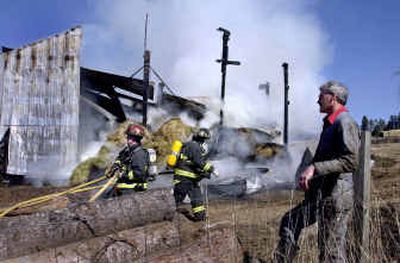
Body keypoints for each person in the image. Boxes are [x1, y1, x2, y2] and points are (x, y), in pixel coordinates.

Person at [272, 81, 360, 262]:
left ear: (333, 98)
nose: (317, 100)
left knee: (330, 251)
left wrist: (314, 168)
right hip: (321, 195)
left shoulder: (345, 122)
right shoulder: (330, 124)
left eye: (321, 96)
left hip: (335, 196)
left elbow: (351, 161)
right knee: (291, 221)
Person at [173, 128, 216, 221]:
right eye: (204, 140)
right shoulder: (194, 146)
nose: (205, 142)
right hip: (183, 178)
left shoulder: (191, 146)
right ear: (201, 139)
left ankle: (200, 217)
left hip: (192, 179)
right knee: (177, 201)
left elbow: (194, 164)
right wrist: (212, 170)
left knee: (197, 199)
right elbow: (198, 162)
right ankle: (168, 217)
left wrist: (204, 173)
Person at [104, 124, 150, 198]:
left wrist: (122, 174)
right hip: (122, 189)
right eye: (129, 138)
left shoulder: (139, 154)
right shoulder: (127, 151)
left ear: (138, 140)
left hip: (133, 191)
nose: (130, 141)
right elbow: (120, 159)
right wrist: (114, 168)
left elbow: (139, 174)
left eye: (134, 139)